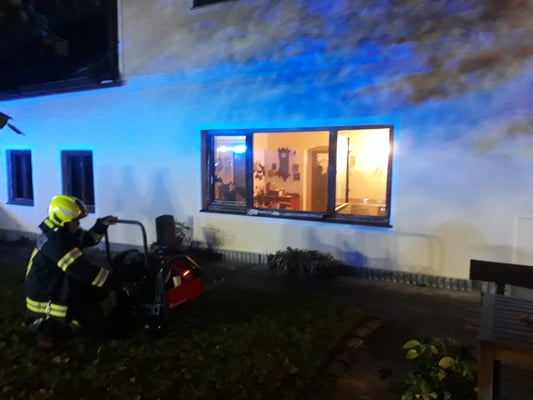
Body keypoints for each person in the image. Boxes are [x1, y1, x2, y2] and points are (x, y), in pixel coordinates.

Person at [25, 194, 125, 349]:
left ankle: (77, 321)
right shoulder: (56, 241)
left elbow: (88, 239)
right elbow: (83, 271)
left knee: (97, 291)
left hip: (57, 284)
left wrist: (101, 225)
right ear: (62, 220)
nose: (78, 224)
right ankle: (48, 333)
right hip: (47, 296)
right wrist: (118, 283)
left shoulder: (63, 232)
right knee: (91, 298)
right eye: (75, 220)